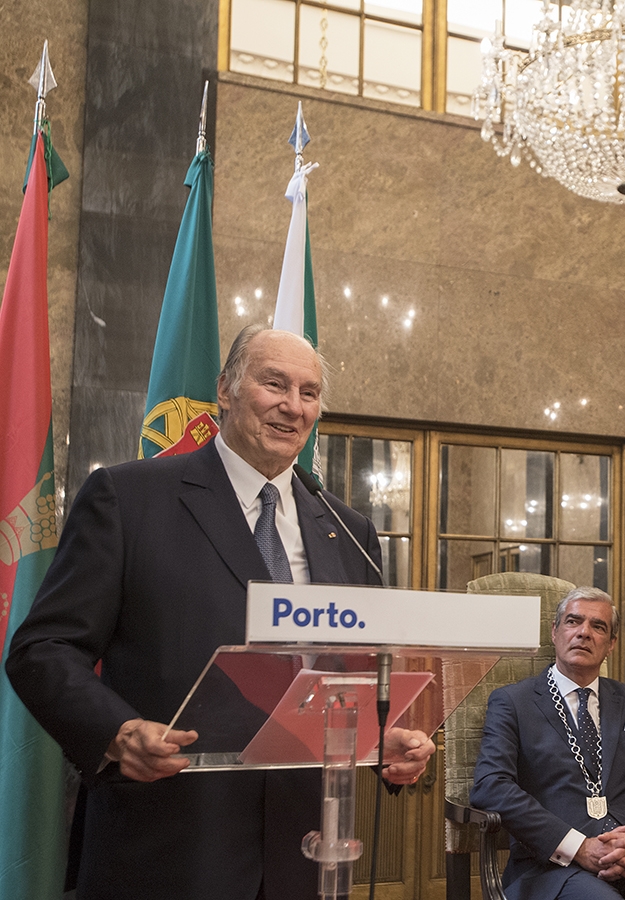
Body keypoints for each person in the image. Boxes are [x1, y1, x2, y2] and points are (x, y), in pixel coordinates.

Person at [5, 325, 435, 900]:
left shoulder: (348, 531)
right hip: (169, 835)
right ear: (226, 389)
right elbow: (44, 648)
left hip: (306, 844)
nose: (293, 406)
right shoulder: (128, 498)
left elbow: (346, 672)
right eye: (274, 384)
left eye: (309, 393)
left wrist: (383, 737)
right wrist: (117, 732)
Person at [470, 586, 625, 900]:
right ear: (555, 631)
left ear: (611, 644)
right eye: (573, 622)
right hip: (552, 863)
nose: (583, 633)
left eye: (598, 626)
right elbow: (490, 785)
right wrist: (577, 846)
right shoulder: (513, 702)